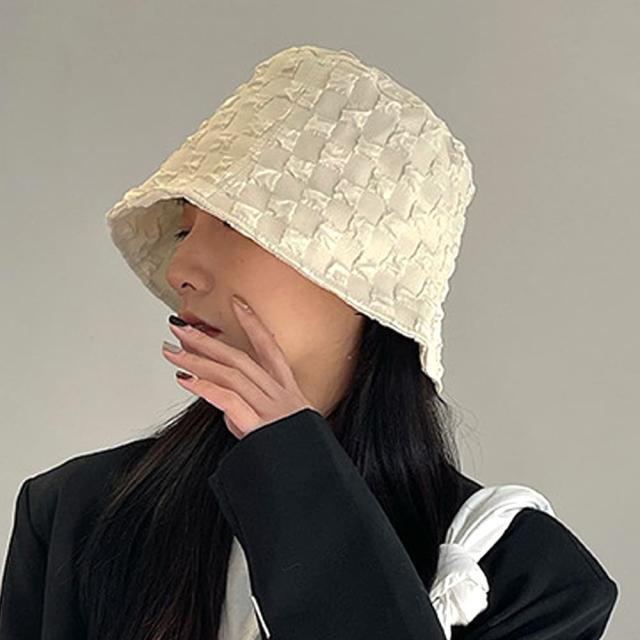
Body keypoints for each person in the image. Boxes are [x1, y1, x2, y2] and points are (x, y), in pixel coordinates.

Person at [0, 44, 619, 639]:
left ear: (362, 276)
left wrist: (293, 469)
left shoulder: (526, 575)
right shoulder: (73, 516)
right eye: (186, 230)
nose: (180, 268)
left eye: (235, 223)